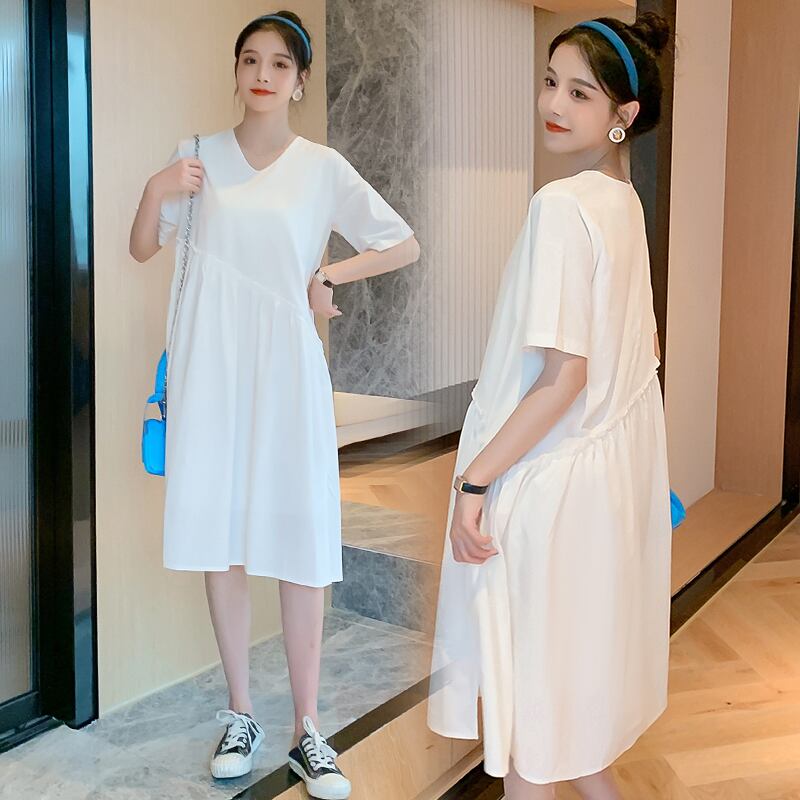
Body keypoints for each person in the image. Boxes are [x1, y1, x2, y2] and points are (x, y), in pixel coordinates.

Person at [129, 11, 419, 798]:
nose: (263, 73)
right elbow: (143, 246)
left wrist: (328, 278)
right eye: (251, 59)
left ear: (299, 80)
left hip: (287, 372)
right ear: (237, 71)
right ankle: (241, 713)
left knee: (299, 543)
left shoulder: (322, 167)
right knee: (220, 539)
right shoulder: (196, 157)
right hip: (210, 370)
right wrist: (157, 188)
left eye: (280, 63)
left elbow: (401, 241)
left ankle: (307, 729)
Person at [427, 14, 671, 800]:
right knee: (571, 727)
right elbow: (636, 360)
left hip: (548, 492)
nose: (554, 104)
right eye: (550, 82)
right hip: (599, 493)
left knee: (533, 732)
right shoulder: (624, 204)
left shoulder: (563, 205)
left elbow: (565, 377)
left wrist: (473, 481)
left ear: (622, 114)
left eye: (580, 93)